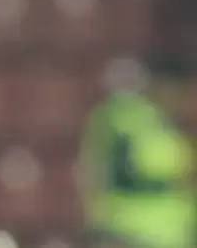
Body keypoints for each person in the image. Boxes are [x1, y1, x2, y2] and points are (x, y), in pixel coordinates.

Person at [80, 53, 195, 248]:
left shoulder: (176, 124)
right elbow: (96, 172)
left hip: (176, 234)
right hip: (127, 232)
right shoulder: (124, 120)